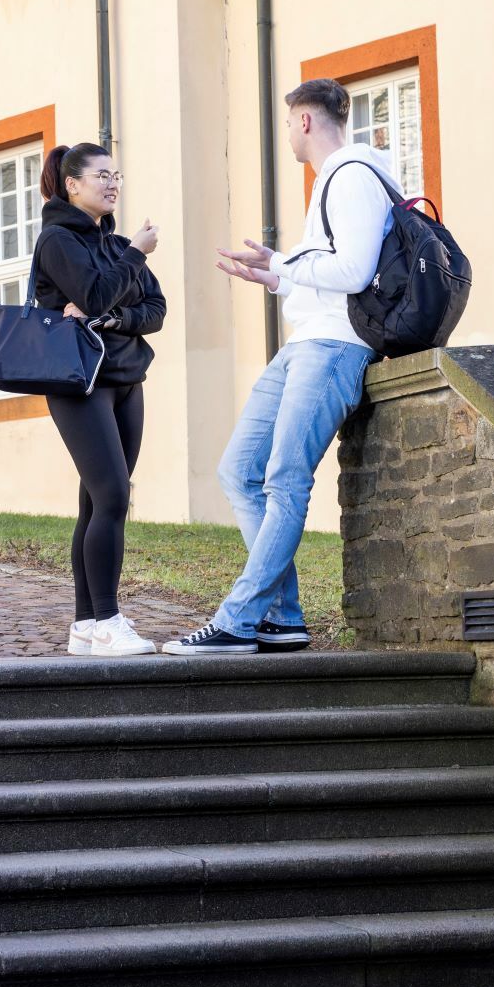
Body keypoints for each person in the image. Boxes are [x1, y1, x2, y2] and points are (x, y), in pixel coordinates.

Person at [163, 77, 393, 656]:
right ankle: (284, 617)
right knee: (240, 470)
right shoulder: (330, 184)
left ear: (307, 121)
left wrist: (285, 260)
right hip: (306, 342)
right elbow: (326, 277)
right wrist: (275, 273)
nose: (288, 133)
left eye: (290, 122)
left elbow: (356, 272)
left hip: (335, 348)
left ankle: (238, 620)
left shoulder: (353, 177)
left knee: (285, 480)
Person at [34, 142, 166, 657]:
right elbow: (94, 294)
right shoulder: (58, 241)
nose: (112, 183)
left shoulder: (112, 244)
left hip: (127, 378)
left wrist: (116, 319)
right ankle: (108, 618)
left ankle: (86, 625)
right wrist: (136, 254)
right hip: (79, 384)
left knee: (97, 500)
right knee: (113, 495)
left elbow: (154, 308)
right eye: (101, 175)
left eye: (117, 175)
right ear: (72, 185)